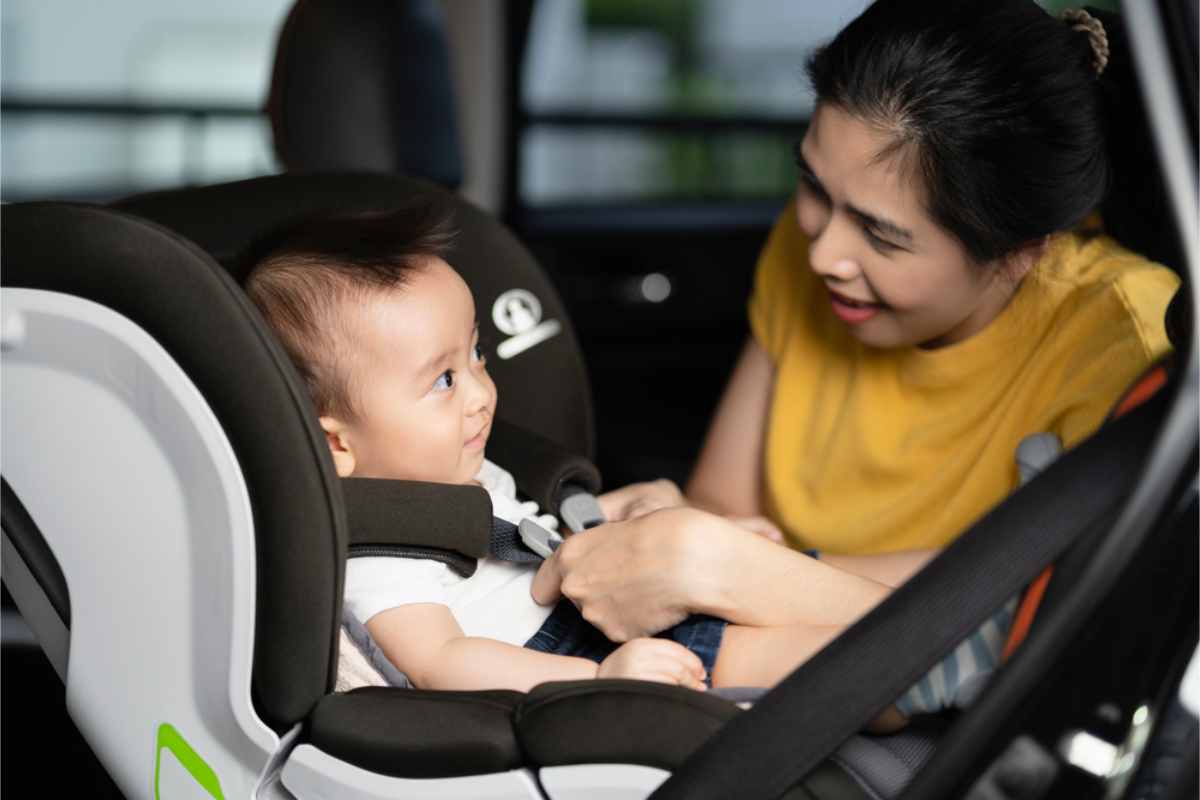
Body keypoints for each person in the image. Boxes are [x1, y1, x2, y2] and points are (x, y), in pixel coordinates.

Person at [531, 0, 1180, 721]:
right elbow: (724, 506)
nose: (821, 252)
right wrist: (676, 528)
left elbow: (1030, 628)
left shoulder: (1129, 345)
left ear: (1023, 251)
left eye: (881, 234)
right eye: (812, 185)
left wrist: (719, 567)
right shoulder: (816, 254)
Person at [243, 206, 900, 713]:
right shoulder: (378, 558)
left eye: (476, 355)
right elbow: (443, 662)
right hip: (561, 655)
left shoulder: (451, 469)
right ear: (336, 443)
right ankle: (925, 669)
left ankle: (935, 639)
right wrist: (596, 680)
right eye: (442, 380)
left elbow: (526, 546)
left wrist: (623, 516)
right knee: (790, 658)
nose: (479, 393)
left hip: (585, 611)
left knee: (790, 587)